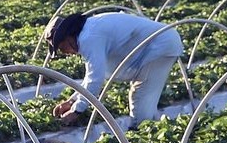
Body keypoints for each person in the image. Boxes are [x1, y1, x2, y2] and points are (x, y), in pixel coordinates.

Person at [43, 11, 184, 127]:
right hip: (158, 44)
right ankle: (153, 129)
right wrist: (72, 101)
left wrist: (77, 111)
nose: (66, 52)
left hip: (160, 45)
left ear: (68, 36)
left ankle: (144, 137)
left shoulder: (88, 38)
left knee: (141, 98)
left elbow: (95, 79)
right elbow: (90, 77)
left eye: (62, 47)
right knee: (144, 99)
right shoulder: (88, 30)